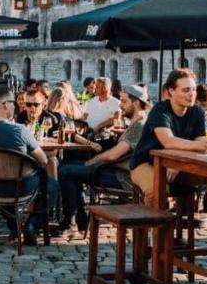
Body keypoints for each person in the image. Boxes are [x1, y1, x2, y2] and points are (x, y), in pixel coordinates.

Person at [128, 68, 207, 233]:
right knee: (156, 189)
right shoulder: (160, 110)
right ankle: (153, 237)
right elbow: (168, 141)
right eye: (186, 90)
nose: (191, 94)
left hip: (179, 166)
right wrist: (200, 145)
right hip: (145, 163)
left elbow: (199, 141)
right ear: (171, 91)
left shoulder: (197, 111)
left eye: (193, 89)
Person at [0, 86, 58, 245]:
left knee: (8, 182)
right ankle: (31, 224)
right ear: (4, 105)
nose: (15, 107)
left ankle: (14, 226)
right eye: (12, 103)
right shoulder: (20, 130)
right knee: (52, 186)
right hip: (21, 187)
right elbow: (44, 161)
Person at [59, 84, 150, 232]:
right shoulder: (136, 123)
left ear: (137, 103)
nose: (120, 106)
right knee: (69, 167)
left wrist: (91, 162)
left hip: (122, 177)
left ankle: (72, 218)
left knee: (65, 171)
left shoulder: (139, 125)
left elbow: (113, 155)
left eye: (124, 101)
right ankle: (80, 216)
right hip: (116, 170)